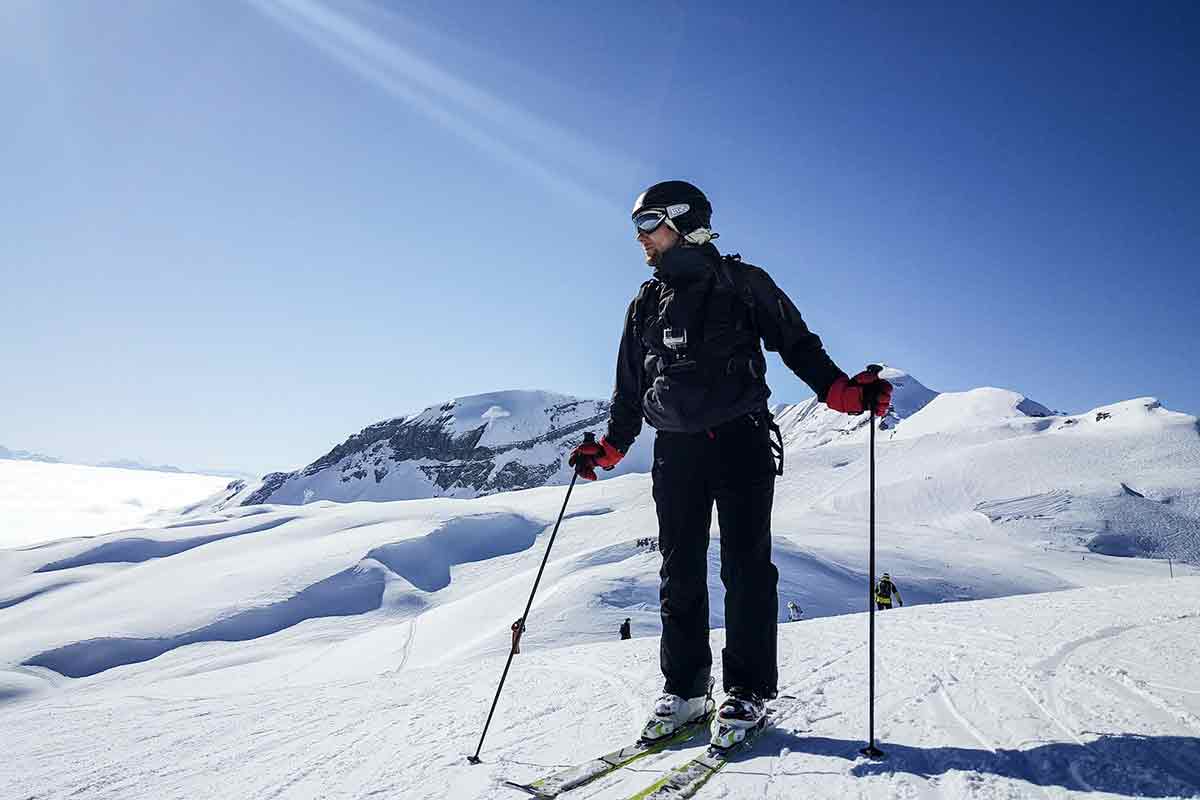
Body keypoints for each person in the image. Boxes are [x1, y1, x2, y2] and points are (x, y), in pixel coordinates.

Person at [569, 180, 892, 746]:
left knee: (745, 568)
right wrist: (614, 446)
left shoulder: (745, 284)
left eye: (649, 224)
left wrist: (839, 391)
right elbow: (628, 388)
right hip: (676, 451)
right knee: (680, 569)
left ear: (684, 222)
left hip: (741, 440)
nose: (639, 237)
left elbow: (798, 344)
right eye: (637, 226)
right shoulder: (645, 302)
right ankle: (687, 690)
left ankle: (747, 691)